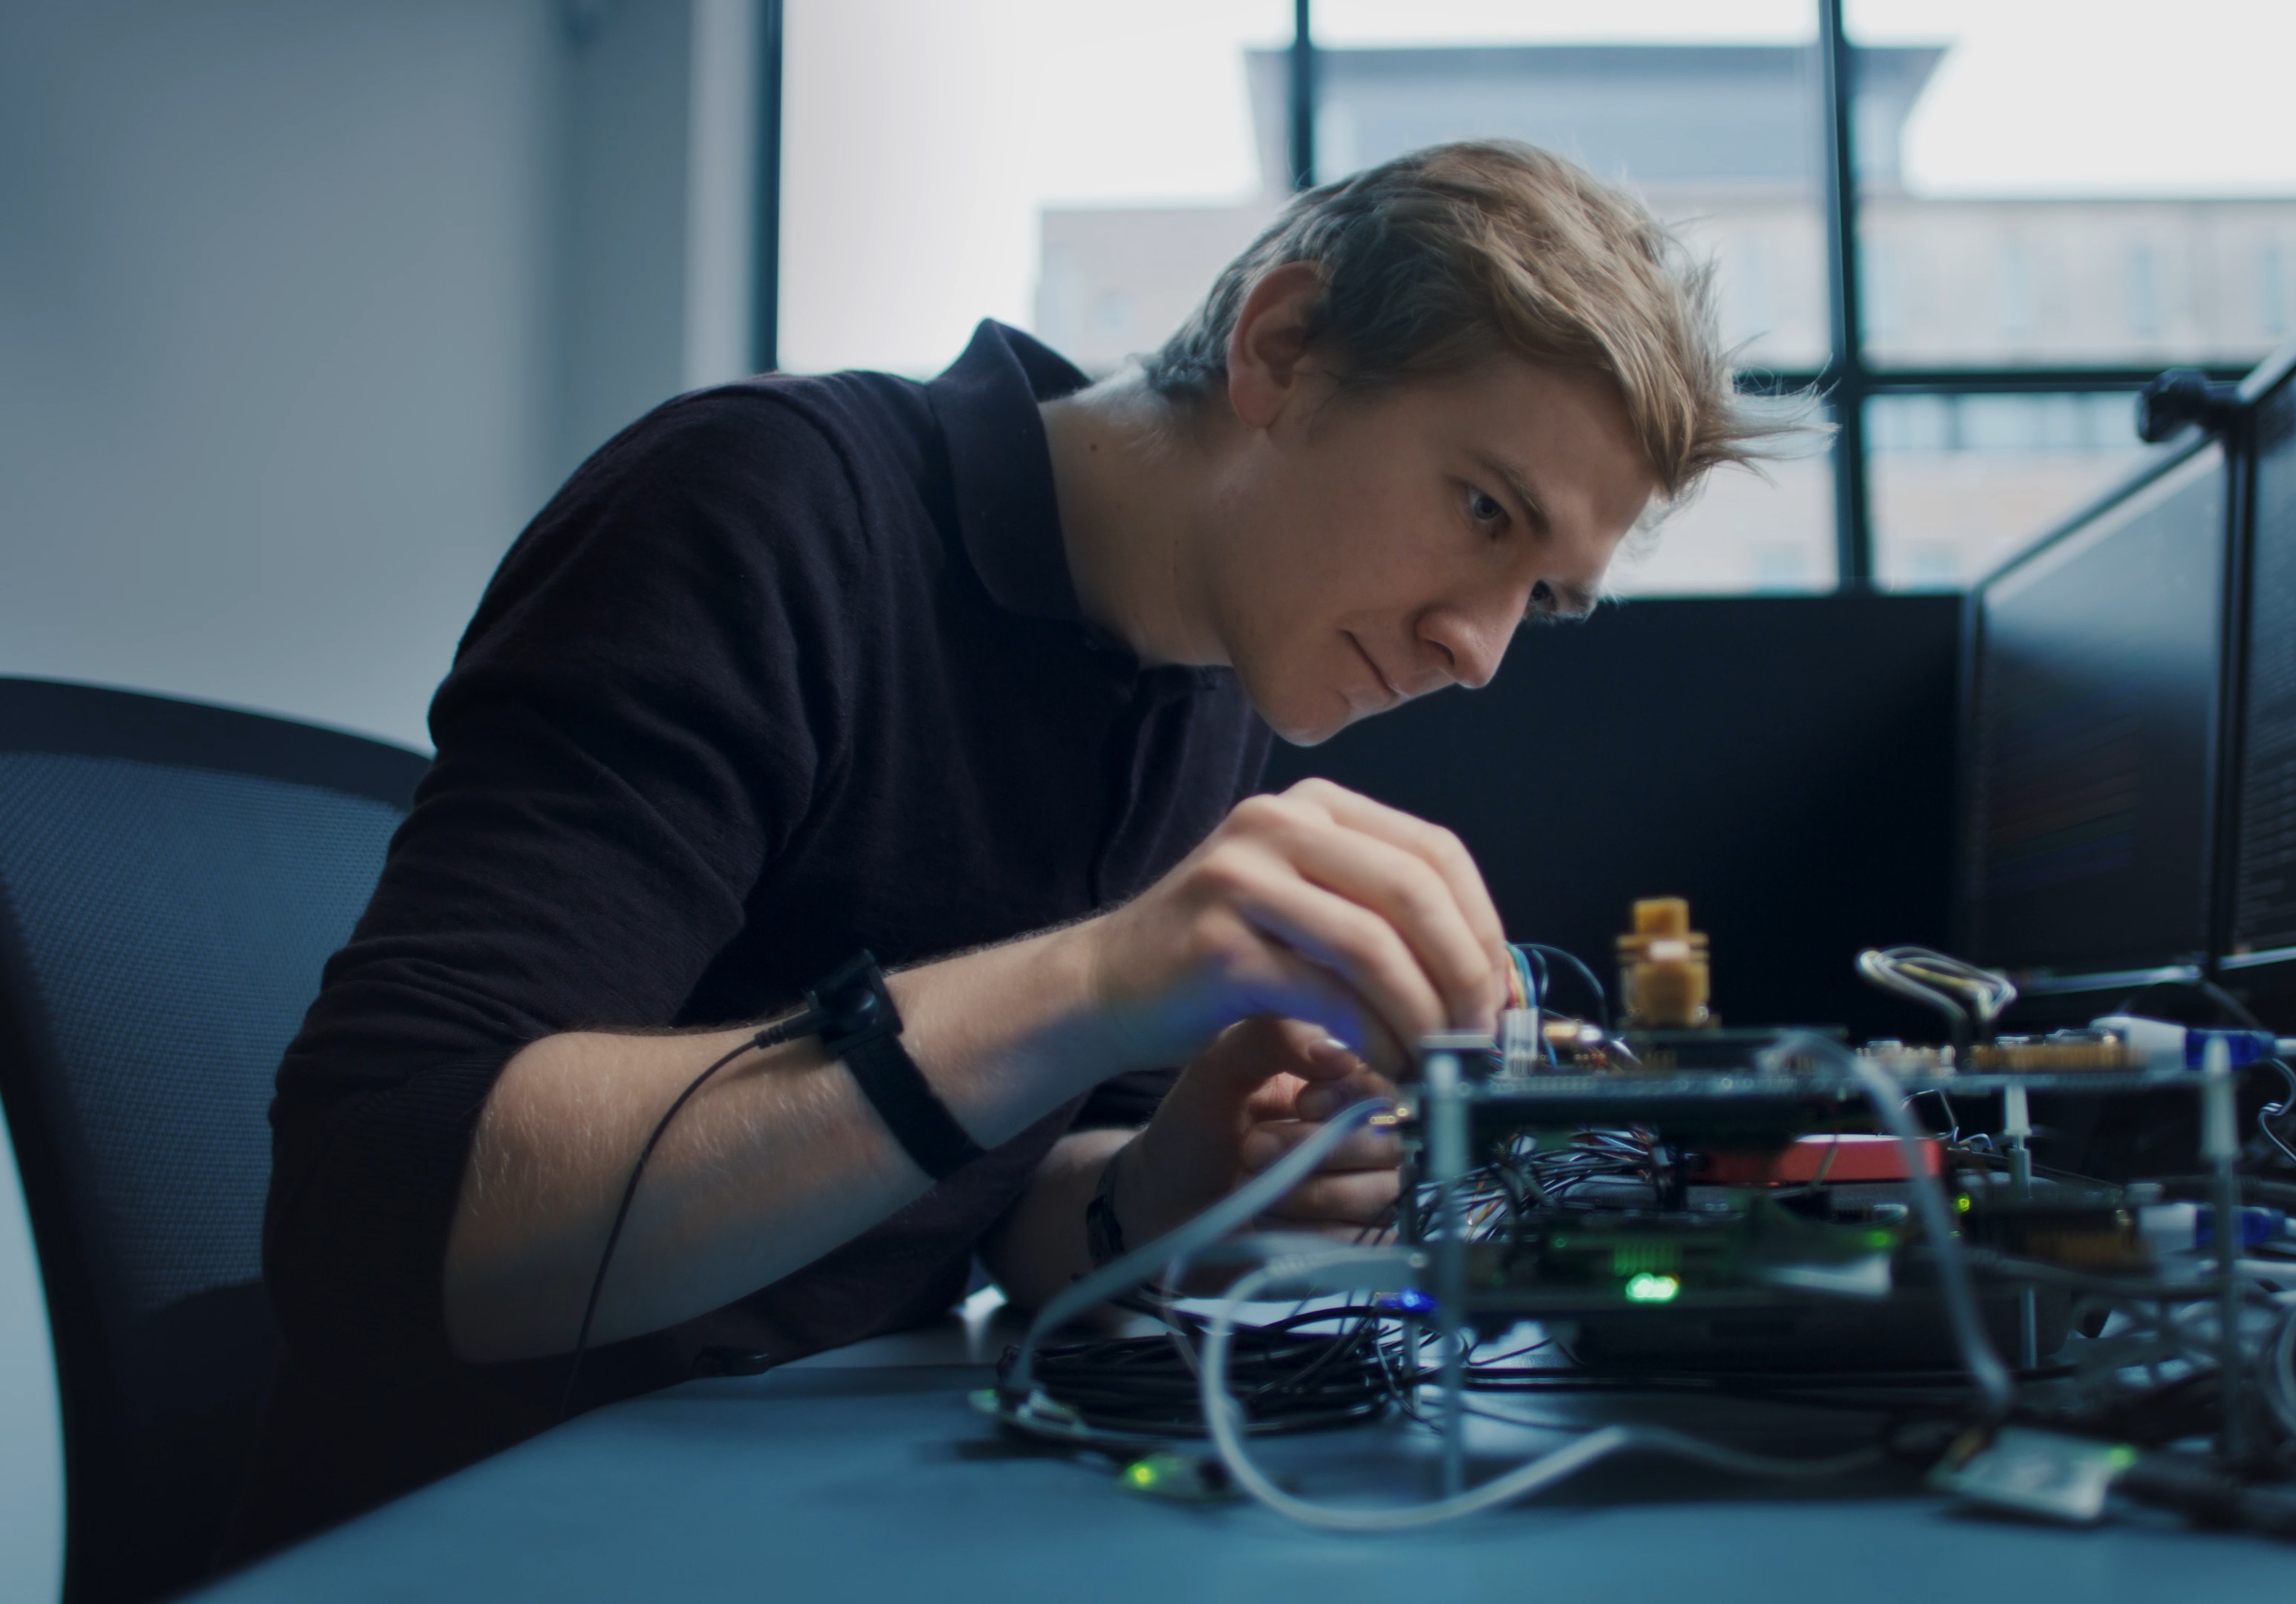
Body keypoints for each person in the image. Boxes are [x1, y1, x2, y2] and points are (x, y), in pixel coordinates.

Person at [240, 138, 1789, 1551]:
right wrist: (1089, 985)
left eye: (1548, 596)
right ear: (1283, 349)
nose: (1482, 650)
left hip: (807, 1501)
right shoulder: (765, 507)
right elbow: (380, 1217)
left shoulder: (1217, 692)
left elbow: (1005, 1212)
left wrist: (1170, 1186)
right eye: (1481, 507)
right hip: (493, 1523)